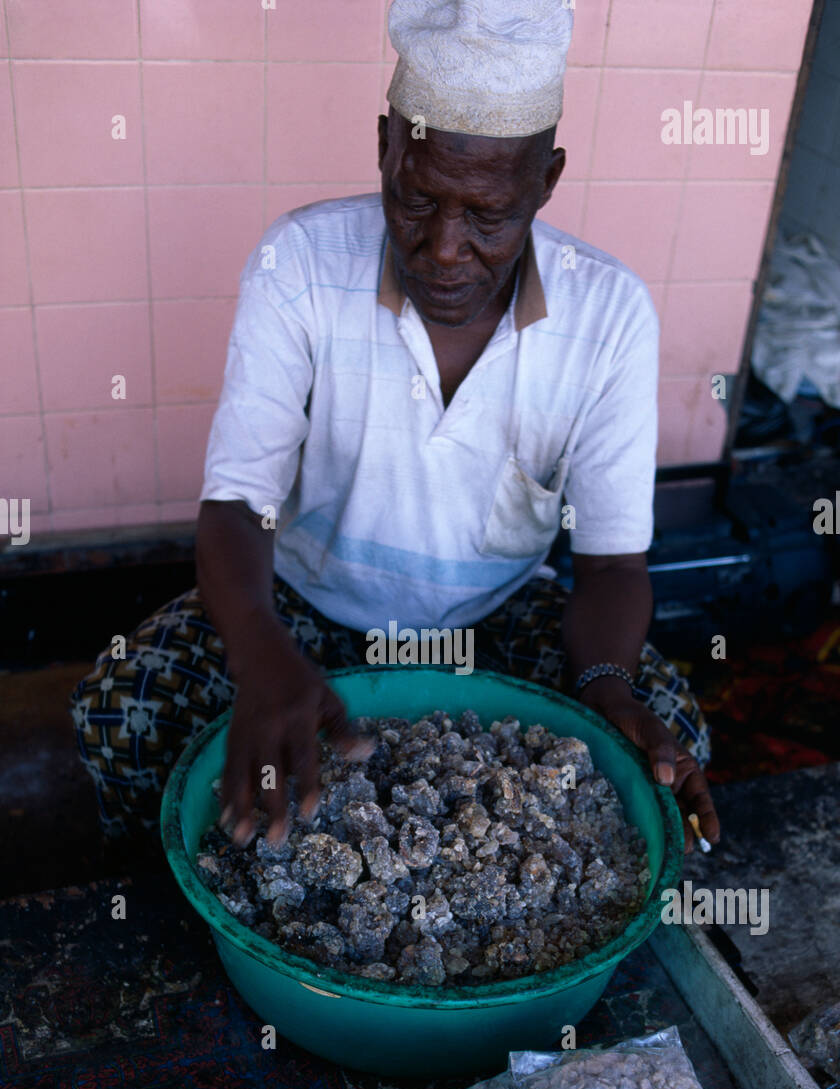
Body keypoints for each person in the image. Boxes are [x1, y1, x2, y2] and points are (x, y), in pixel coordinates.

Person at [72, 0, 719, 855]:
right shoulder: (298, 265)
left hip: (494, 617)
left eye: (489, 215)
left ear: (546, 181)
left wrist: (604, 683)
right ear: (385, 145)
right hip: (302, 605)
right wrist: (259, 655)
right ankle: (179, 899)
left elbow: (608, 563)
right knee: (120, 710)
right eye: (416, 200)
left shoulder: (609, 315)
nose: (446, 249)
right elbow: (236, 507)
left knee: (668, 742)